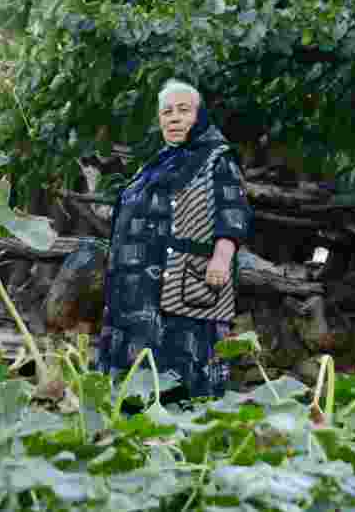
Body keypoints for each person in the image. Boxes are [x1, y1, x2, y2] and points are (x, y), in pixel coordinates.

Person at [96, 78, 253, 400]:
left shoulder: (216, 159)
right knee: (136, 361)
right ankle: (133, 421)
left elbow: (233, 212)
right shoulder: (157, 163)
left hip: (182, 281)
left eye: (184, 110)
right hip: (136, 287)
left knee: (182, 359)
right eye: (166, 112)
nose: (174, 118)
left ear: (200, 116)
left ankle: (181, 428)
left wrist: (222, 258)